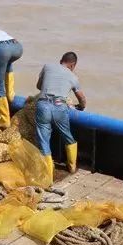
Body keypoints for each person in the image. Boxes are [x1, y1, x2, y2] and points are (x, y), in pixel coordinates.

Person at [34, 52, 87, 181]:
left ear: (61, 60)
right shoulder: (73, 77)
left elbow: (39, 86)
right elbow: (82, 98)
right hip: (60, 106)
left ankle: (48, 175)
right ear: (73, 65)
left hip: (43, 105)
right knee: (67, 136)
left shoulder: (47, 67)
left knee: (43, 140)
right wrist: (81, 107)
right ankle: (72, 167)